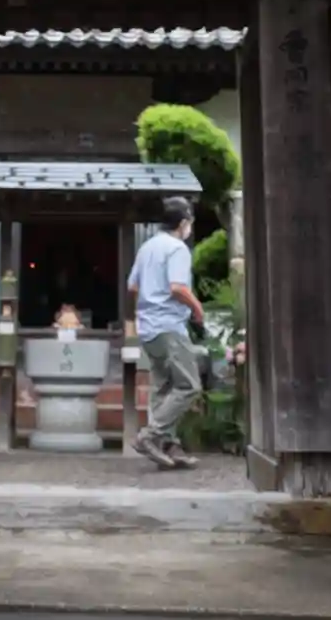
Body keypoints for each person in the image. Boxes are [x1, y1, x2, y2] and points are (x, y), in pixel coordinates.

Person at [127, 196, 206, 469]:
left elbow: (132, 287)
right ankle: (150, 436)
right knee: (189, 385)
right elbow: (177, 287)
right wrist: (198, 308)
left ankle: (168, 446)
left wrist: (141, 312)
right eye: (190, 223)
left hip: (148, 328)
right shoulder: (177, 248)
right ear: (183, 223)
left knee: (164, 387)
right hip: (169, 326)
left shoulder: (147, 247)